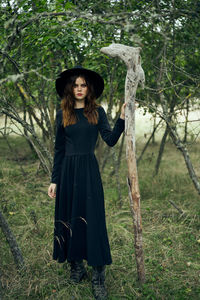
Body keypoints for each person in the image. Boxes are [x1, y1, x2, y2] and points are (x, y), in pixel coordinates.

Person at [48, 66, 126, 300]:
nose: (79, 89)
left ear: (88, 88)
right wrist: (54, 180)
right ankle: (76, 267)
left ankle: (98, 275)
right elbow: (59, 149)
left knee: (92, 219)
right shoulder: (63, 113)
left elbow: (110, 140)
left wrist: (122, 118)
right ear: (69, 89)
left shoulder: (97, 112)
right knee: (71, 217)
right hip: (67, 173)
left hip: (89, 172)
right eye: (75, 85)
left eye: (83, 85)